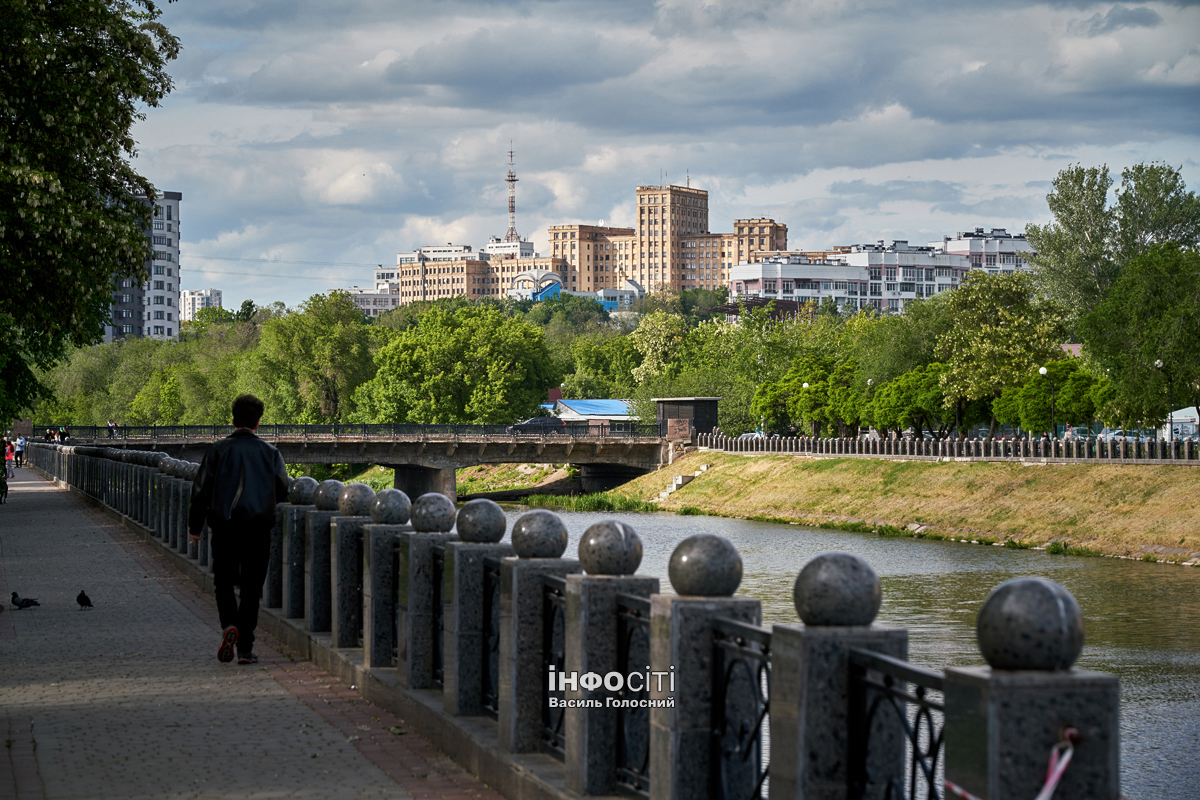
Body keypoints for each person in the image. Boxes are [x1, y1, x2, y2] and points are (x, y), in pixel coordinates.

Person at [188, 394, 288, 665]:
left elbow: (200, 492)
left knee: (223, 582)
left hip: (225, 528)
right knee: (252, 588)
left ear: (233, 421)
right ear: (258, 423)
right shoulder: (271, 453)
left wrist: (195, 528)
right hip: (258, 529)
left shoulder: (217, 451)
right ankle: (245, 648)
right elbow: (283, 488)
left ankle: (229, 624)